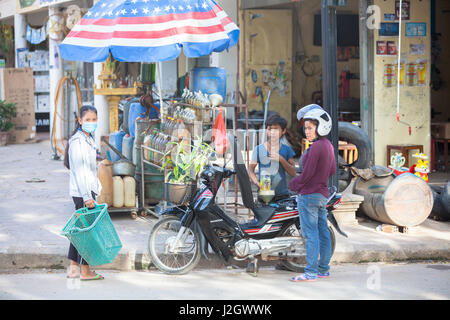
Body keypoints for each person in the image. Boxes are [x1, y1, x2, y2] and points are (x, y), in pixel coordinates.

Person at [288, 108, 336, 282]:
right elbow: (332, 170)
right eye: (306, 128)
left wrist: (293, 184)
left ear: (320, 127)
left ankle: (310, 272)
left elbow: (306, 175)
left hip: (309, 196)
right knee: (323, 232)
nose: (306, 131)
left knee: (311, 234)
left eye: (310, 128)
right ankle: (323, 269)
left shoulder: (316, 148)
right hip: (322, 195)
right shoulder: (328, 146)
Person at [64, 105, 104, 281]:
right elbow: (80, 171)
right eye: (87, 120)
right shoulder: (78, 142)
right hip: (83, 193)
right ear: (80, 121)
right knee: (88, 233)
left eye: (94, 120)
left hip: (86, 191)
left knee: (81, 230)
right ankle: (86, 271)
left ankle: (73, 268)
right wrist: (88, 197)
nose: (91, 123)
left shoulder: (87, 138)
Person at [248, 114, 296, 202]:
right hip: (264, 195)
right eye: (270, 129)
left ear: (283, 131)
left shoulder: (287, 150)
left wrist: (281, 159)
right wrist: (258, 183)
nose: (272, 132)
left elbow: (293, 172)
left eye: (276, 129)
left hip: (282, 195)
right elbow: (250, 170)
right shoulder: (259, 149)